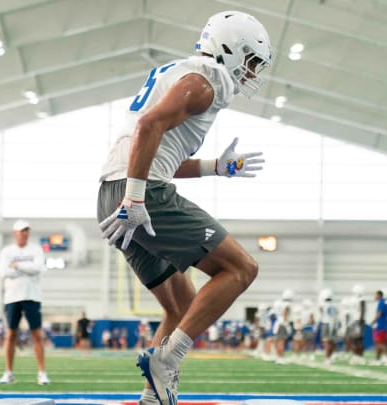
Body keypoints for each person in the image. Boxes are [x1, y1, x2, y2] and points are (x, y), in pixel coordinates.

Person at [96, 10, 271, 405]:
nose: (252, 71)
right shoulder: (205, 83)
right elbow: (148, 128)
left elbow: (155, 149)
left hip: (113, 191)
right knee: (241, 268)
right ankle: (168, 360)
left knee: (181, 306)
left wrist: (216, 167)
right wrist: (137, 197)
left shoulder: (181, 74)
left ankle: (153, 396)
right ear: (230, 48)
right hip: (137, 193)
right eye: (252, 60)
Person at [0, 219, 50, 385]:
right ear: (15, 233)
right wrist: (27, 267)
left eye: (27, 230)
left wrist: (17, 266)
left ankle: (41, 373)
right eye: (21, 231)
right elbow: (4, 272)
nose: (24, 233)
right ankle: (8, 373)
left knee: (36, 334)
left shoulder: (36, 249)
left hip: (32, 296)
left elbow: (39, 268)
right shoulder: (7, 251)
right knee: (10, 334)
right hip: (12, 297)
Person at [370, 290, 387, 366]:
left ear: (379, 295)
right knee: (377, 343)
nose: (374, 296)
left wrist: (373, 321)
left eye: (375, 295)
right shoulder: (382, 303)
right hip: (380, 326)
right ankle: (377, 359)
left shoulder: (381, 303)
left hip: (380, 326)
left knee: (380, 343)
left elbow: (379, 313)